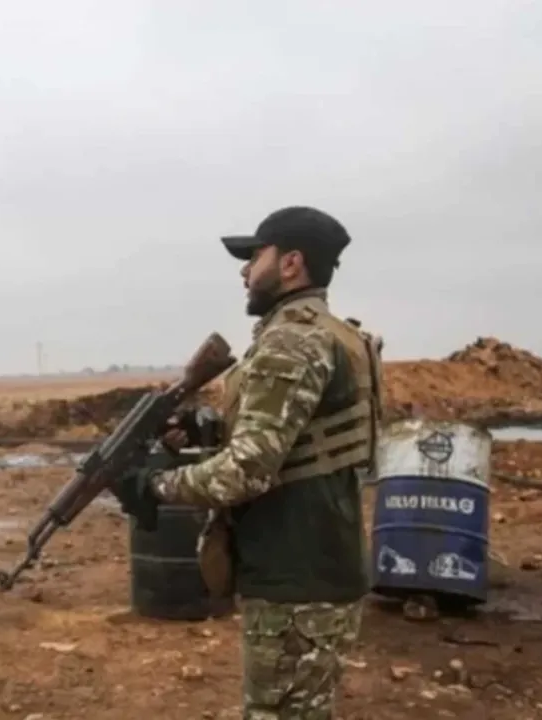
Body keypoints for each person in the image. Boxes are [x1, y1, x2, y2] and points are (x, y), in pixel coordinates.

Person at [112, 206, 385, 719]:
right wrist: (209, 430)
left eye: (254, 257)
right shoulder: (328, 333)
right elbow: (297, 437)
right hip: (316, 569)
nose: (244, 271)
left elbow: (248, 470)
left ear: (291, 264)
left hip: (296, 578)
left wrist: (156, 486)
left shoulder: (291, 340)